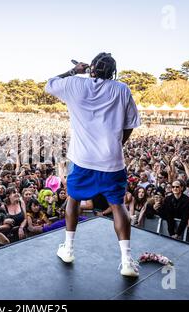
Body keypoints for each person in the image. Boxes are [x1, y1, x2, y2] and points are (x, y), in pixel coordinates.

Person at [45, 52, 141, 277]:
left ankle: (68, 249)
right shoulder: (122, 89)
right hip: (112, 160)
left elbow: (49, 85)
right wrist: (116, 145)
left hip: (82, 159)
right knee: (118, 206)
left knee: (73, 198)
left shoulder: (75, 84)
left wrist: (75, 71)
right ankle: (126, 261)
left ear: (91, 70)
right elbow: (130, 125)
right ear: (113, 72)